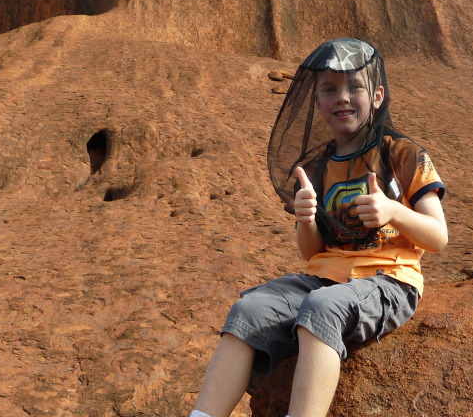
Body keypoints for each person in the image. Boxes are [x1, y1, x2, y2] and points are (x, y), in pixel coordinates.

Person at [190, 38, 448, 417]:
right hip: (325, 277)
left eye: (354, 87)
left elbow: (438, 237)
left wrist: (394, 211)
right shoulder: (316, 168)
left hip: (389, 279)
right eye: (329, 89)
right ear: (317, 103)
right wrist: (306, 218)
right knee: (248, 309)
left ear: (376, 96)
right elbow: (312, 253)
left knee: (322, 307)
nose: (342, 97)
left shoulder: (402, 153)